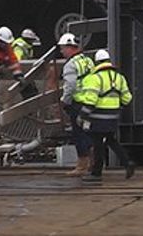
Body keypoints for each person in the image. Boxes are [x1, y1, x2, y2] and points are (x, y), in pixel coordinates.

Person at [74, 49, 135, 183]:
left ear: (97, 62)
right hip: (113, 117)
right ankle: (127, 162)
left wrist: (82, 116)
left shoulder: (95, 78)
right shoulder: (119, 78)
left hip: (98, 117)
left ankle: (96, 174)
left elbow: (91, 101)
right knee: (110, 140)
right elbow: (127, 99)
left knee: (97, 144)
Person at [57, 32, 95, 176]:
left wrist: (64, 101)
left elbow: (70, 85)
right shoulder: (88, 61)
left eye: (63, 48)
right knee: (90, 132)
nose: (61, 51)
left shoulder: (71, 65)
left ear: (70, 47)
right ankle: (94, 163)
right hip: (91, 102)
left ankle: (81, 166)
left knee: (78, 134)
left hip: (78, 103)